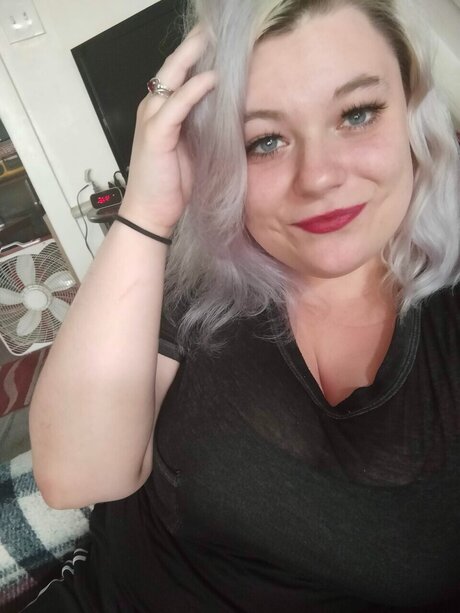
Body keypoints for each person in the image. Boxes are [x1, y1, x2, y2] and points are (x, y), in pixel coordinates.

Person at [26, 0, 460, 610]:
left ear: (412, 112)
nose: (318, 176)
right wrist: (147, 209)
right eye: (265, 141)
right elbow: (77, 476)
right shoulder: (198, 279)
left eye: (357, 114)